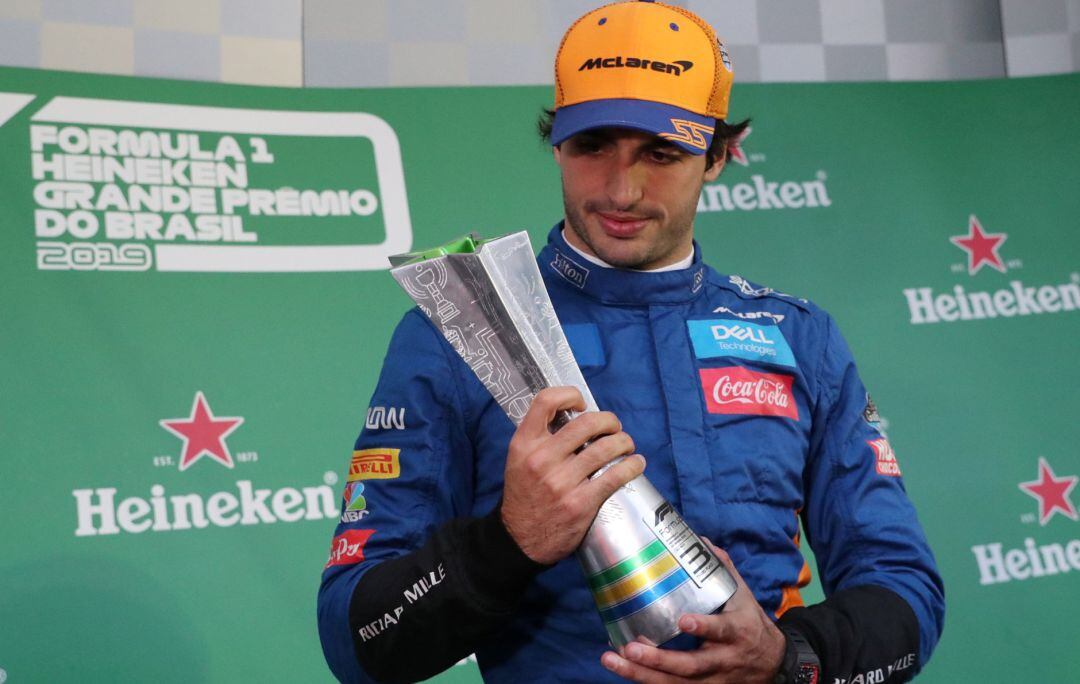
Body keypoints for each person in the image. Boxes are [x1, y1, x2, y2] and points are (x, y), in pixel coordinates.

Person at [317, 2, 944, 682]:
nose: (622, 188)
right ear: (558, 143)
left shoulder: (800, 338)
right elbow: (356, 642)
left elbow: (904, 586)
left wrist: (789, 658)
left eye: (661, 152)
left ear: (717, 157)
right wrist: (509, 542)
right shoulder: (464, 333)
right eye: (593, 146)